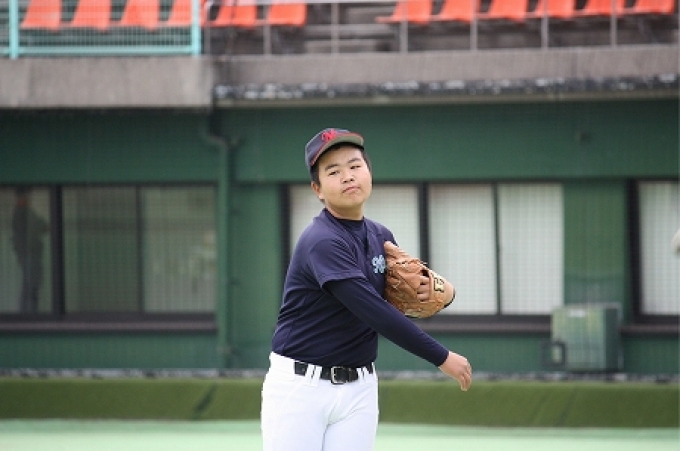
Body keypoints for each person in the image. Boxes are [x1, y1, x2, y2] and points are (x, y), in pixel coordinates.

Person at [261, 128, 472, 451]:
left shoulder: (380, 236)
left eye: (355, 165)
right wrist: (441, 357)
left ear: (369, 172)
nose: (348, 176)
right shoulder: (322, 241)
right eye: (334, 171)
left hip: (360, 388)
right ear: (317, 189)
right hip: (301, 388)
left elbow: (403, 297)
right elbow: (374, 310)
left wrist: (446, 293)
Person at [12, 187, 49, 313]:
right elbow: (41, 226)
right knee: (31, 286)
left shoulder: (26, 212)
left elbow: (42, 226)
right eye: (26, 196)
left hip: (30, 255)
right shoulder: (22, 213)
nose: (29, 199)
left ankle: (29, 313)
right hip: (29, 255)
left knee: (31, 285)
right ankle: (29, 314)